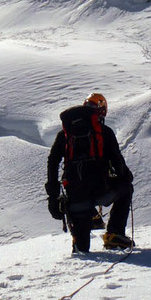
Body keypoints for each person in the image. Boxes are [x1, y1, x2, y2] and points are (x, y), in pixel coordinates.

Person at [46, 93, 133, 253]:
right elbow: (118, 163)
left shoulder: (65, 135)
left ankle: (87, 224)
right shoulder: (104, 132)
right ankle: (115, 235)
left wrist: (53, 196)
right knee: (126, 188)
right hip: (100, 191)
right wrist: (125, 177)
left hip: (74, 198)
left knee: (81, 250)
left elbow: (52, 162)